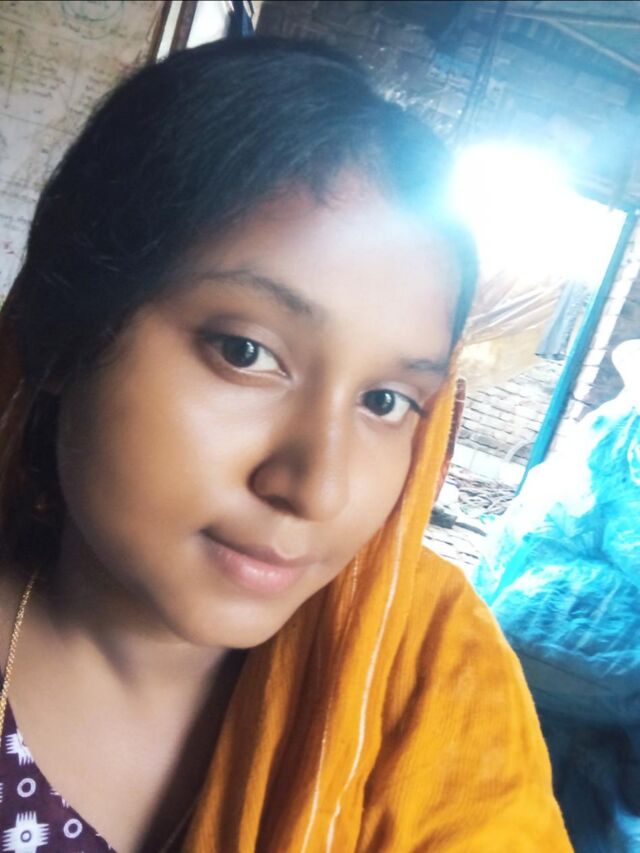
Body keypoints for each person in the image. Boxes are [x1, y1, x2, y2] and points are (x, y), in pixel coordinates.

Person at [0, 37, 570, 851]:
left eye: (385, 401)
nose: (317, 486)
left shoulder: (424, 679)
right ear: (67, 334)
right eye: (244, 352)